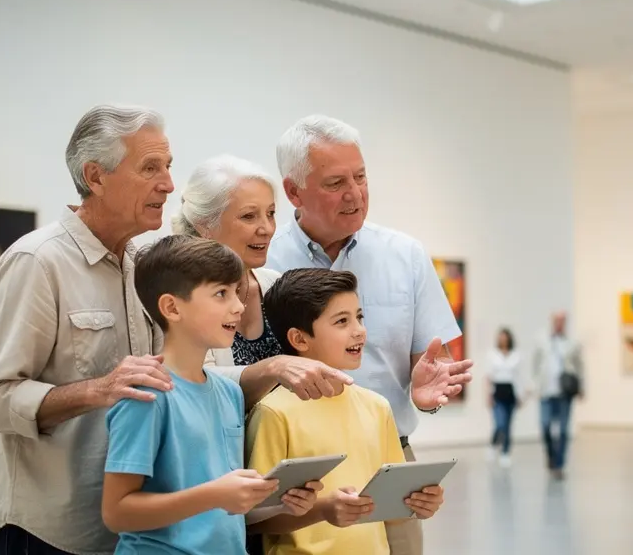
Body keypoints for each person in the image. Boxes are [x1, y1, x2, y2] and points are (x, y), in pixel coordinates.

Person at [0, 104, 350, 555]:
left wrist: (272, 368)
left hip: (133, 528)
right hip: (52, 527)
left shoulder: (143, 265)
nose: (169, 184)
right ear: (95, 177)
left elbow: (178, 376)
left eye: (168, 166)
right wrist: (99, 389)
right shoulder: (37, 263)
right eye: (150, 167)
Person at [266, 115, 473, 554]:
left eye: (361, 177)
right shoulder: (264, 262)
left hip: (388, 455)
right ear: (293, 192)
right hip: (301, 467)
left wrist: (423, 392)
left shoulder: (406, 256)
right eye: (336, 181)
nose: (355, 193)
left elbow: (432, 357)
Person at [101, 235, 320, 553]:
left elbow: (225, 507)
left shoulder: (230, 393)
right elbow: (116, 513)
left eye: (236, 292)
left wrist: (282, 504)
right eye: (221, 294)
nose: (239, 306)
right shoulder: (148, 394)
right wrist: (215, 494)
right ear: (172, 308)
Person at [245, 268, 446, 555]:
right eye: (342, 321)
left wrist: (420, 504)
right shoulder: (274, 412)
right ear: (300, 339)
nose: (359, 330)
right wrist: (323, 510)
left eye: (359, 317)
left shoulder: (377, 407)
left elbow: (394, 509)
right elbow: (255, 519)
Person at [170, 154, 354, 409]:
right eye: (249, 216)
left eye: (270, 214)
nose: (267, 228)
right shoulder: (177, 298)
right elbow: (193, 384)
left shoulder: (275, 285)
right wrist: (272, 367)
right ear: (204, 225)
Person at [531, 311, 583, 480]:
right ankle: (551, 457)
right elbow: (535, 365)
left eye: (563, 321)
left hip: (564, 393)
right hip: (546, 392)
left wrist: (581, 386)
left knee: (563, 430)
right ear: (552, 321)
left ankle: (559, 465)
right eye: (557, 320)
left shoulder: (572, 343)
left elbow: (580, 366)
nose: (560, 323)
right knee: (545, 426)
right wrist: (534, 386)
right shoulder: (542, 341)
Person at [486, 327, 522, 468]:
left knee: (508, 425)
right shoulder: (493, 355)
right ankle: (493, 444)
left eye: (505, 337)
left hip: (510, 392)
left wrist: (520, 395)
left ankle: (505, 452)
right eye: (501, 337)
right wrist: (488, 394)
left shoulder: (516, 355)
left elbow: (518, 377)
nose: (503, 340)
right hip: (498, 391)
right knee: (500, 423)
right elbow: (488, 376)